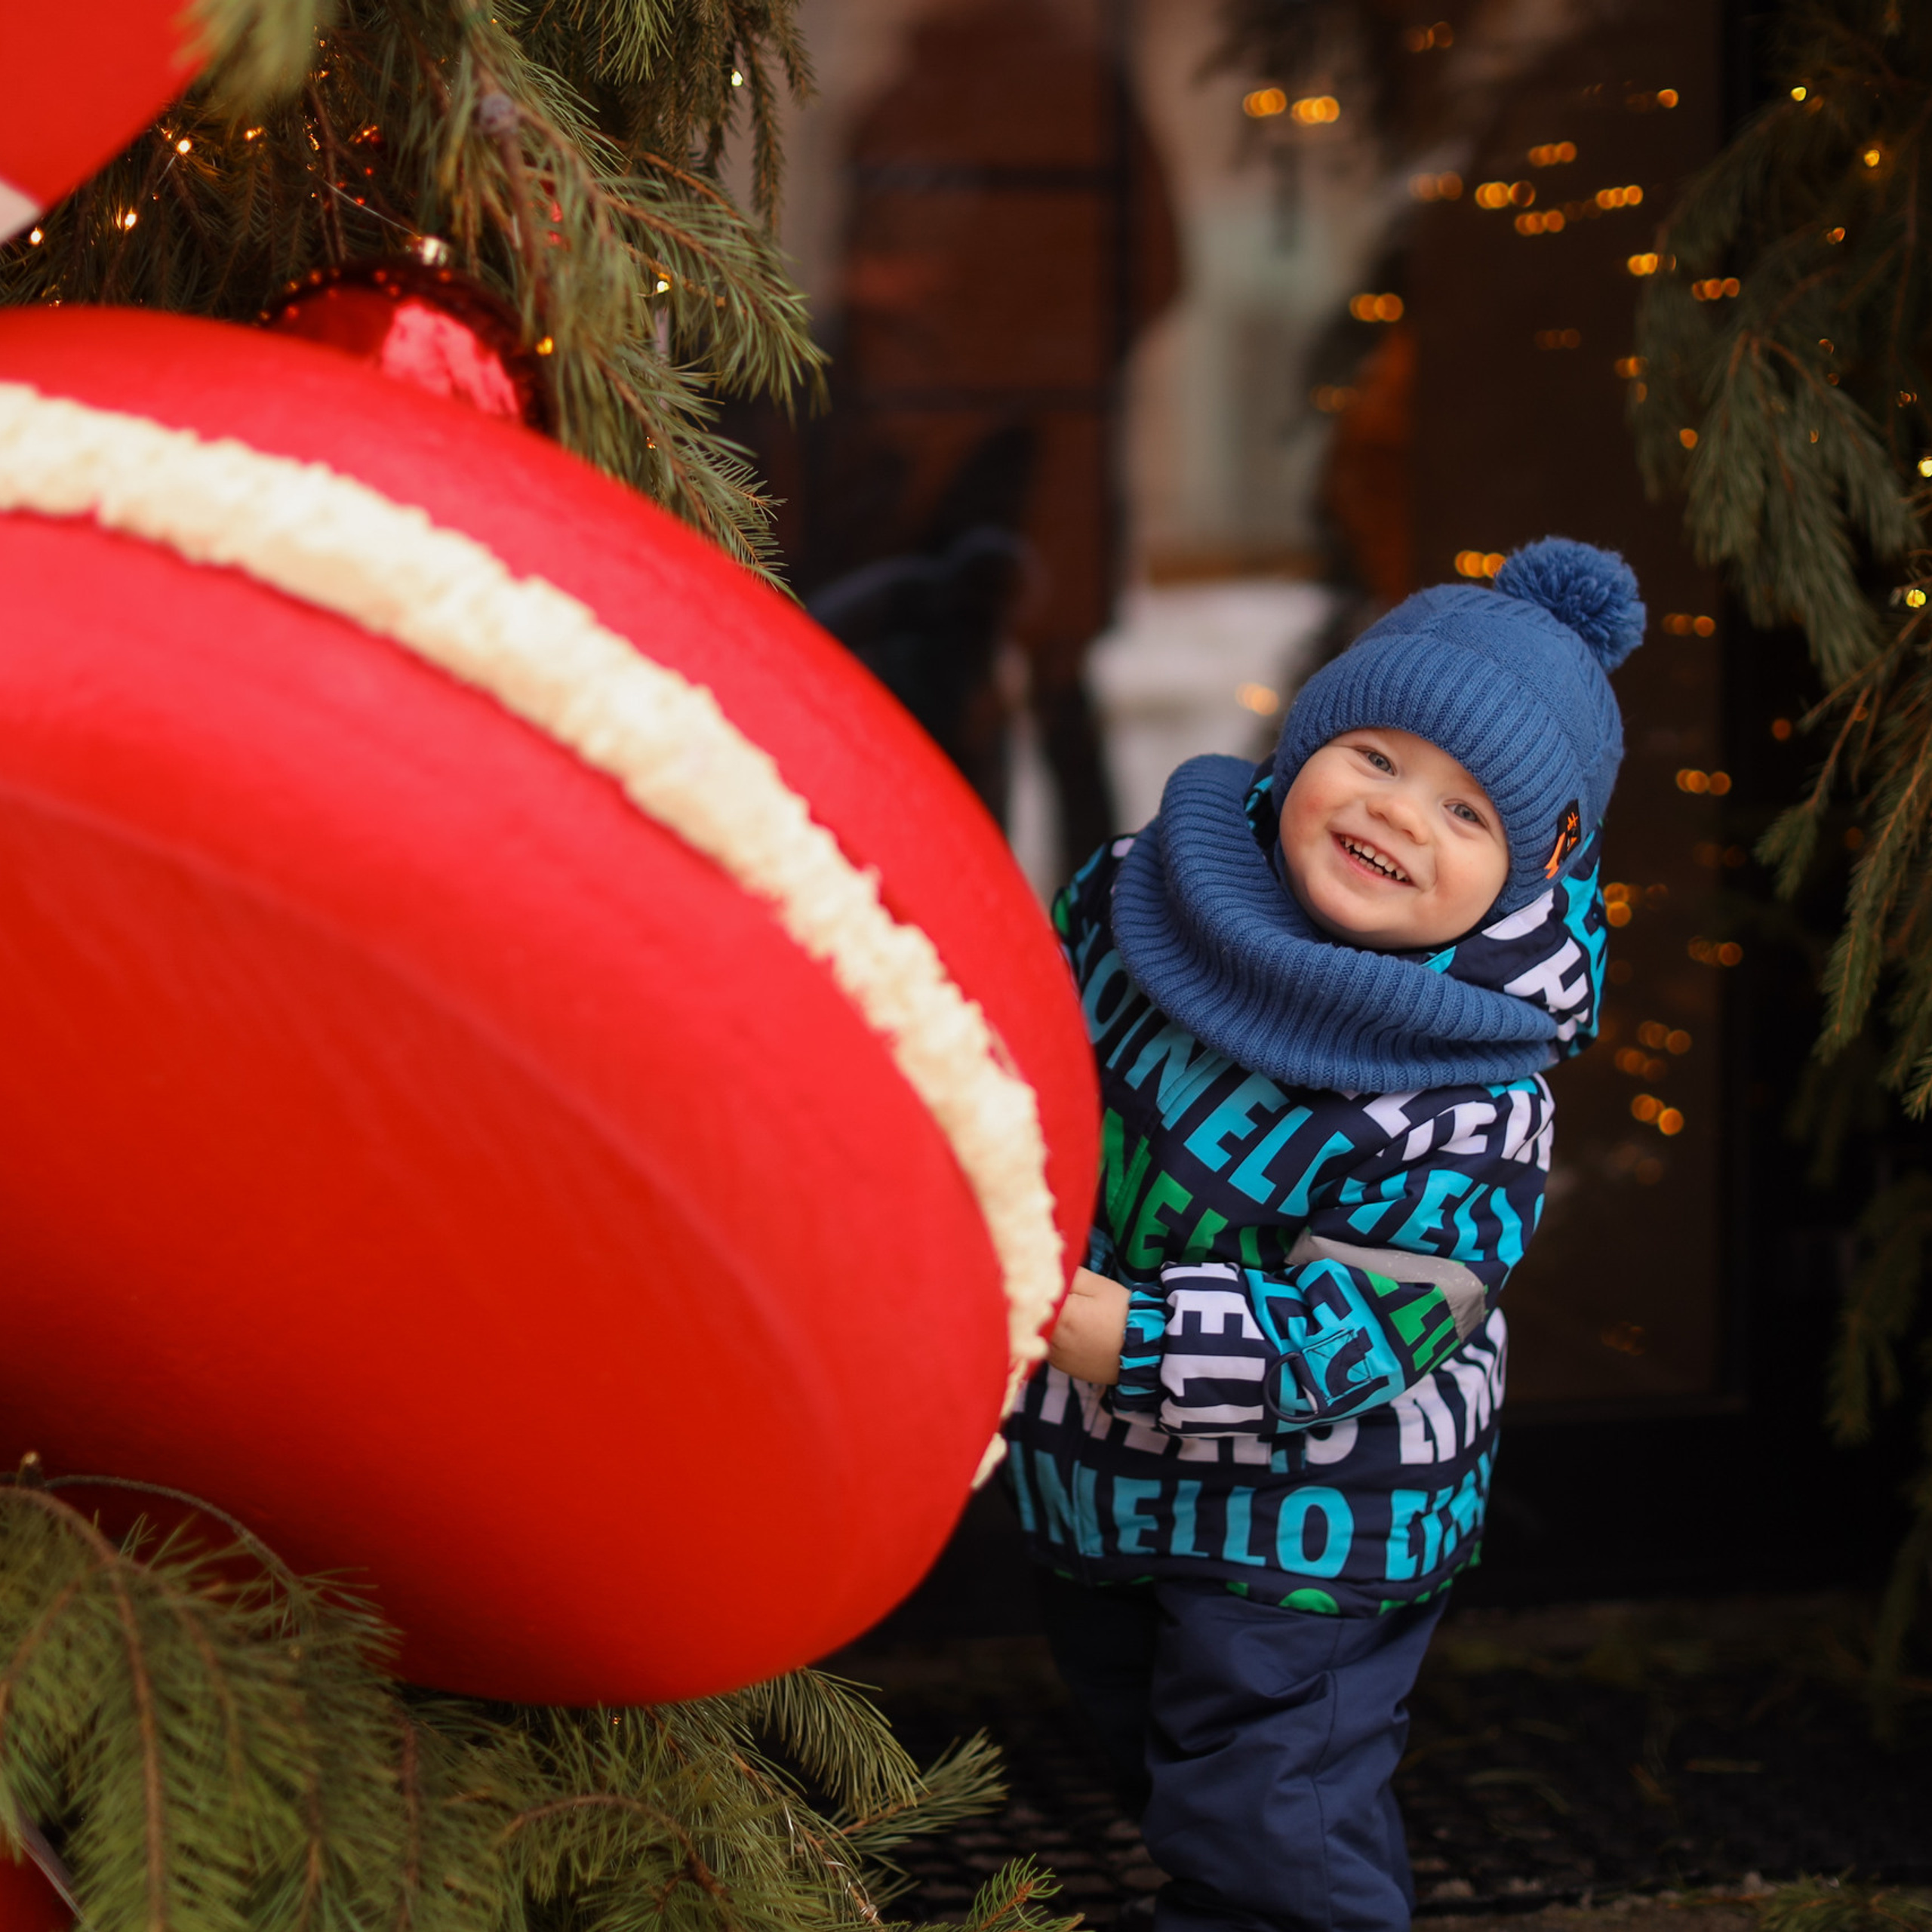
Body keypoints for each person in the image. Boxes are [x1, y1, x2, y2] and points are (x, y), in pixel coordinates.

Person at [1004, 538, 1644, 1932]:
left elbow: (1355, 1335)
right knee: (1153, 1741)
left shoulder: (1473, 1102)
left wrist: (1112, 1329)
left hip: (1320, 1513)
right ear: (1300, 744)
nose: (1403, 815)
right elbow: (1022, 1047)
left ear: (1533, 875)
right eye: (1377, 755)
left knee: (1271, 1818)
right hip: (1101, 1465)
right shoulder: (1144, 893)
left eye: (1469, 815)